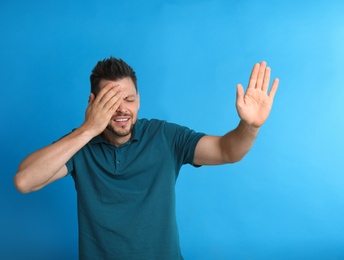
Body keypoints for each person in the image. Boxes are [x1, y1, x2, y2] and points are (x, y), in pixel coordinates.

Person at [14, 57, 279, 259]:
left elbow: (227, 151)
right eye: (110, 101)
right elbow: (25, 181)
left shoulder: (165, 136)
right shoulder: (80, 144)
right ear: (92, 102)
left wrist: (250, 126)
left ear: (138, 100)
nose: (121, 109)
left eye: (128, 99)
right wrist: (89, 129)